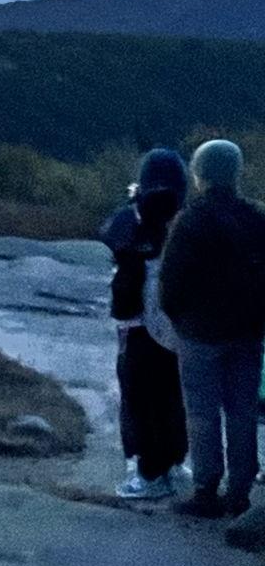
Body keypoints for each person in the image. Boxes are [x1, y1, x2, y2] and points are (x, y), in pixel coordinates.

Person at [157, 139, 265, 527]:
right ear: (236, 173)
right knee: (243, 411)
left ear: (199, 175)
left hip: (200, 332)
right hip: (248, 331)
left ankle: (205, 490)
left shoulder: (190, 220)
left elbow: (170, 284)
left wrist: (179, 321)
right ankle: (240, 493)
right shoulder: (257, 218)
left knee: (201, 411)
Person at [99, 149, 190, 500]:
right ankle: (173, 462)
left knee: (137, 397)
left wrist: (136, 203)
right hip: (177, 323)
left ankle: (148, 472)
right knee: (173, 395)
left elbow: (110, 236)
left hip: (135, 322)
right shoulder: (184, 219)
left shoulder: (131, 219)